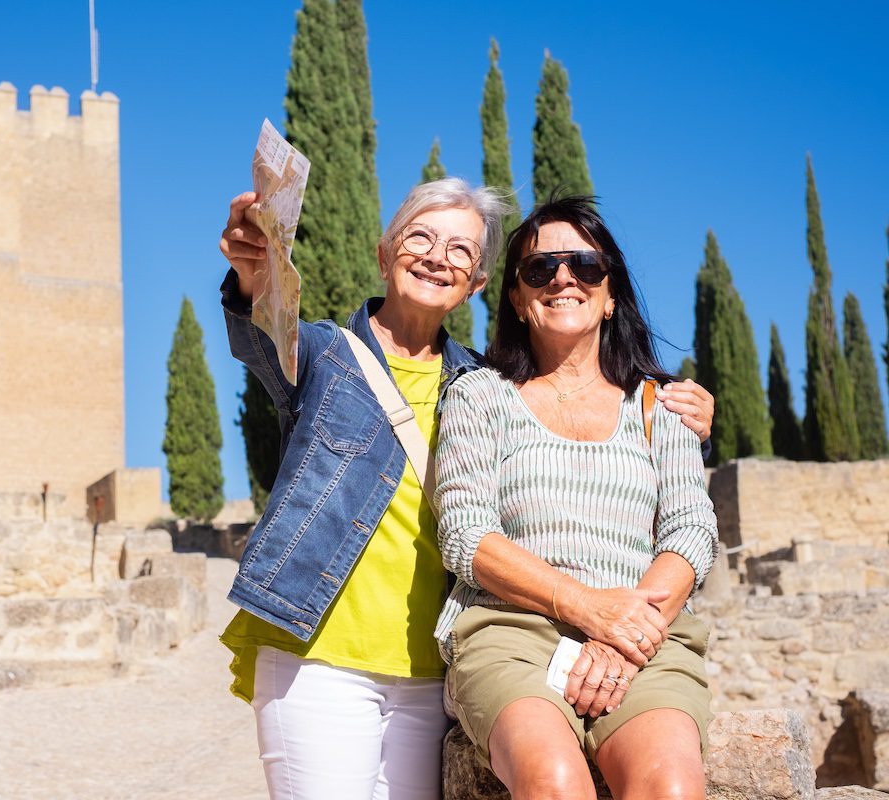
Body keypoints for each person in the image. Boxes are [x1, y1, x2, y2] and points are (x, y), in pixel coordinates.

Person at [216, 179, 715, 800]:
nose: (435, 256)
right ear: (384, 252)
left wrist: (690, 426)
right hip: (323, 651)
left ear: (476, 283)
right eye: (419, 236)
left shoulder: (478, 379)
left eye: (458, 250)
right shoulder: (326, 355)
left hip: (426, 666)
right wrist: (253, 273)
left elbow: (631, 492)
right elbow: (265, 329)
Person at [435, 195, 719, 800]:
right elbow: (464, 535)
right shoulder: (478, 397)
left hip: (646, 638)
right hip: (511, 631)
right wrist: (592, 610)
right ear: (516, 297)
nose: (564, 278)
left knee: (668, 786)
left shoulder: (659, 404)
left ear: (610, 293)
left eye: (585, 266)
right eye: (540, 269)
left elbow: (692, 532)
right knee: (553, 783)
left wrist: (625, 632)